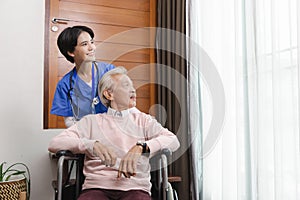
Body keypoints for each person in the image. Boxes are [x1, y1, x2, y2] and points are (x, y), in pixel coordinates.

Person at [48, 67, 180, 200]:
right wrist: (90, 144)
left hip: (135, 189)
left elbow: (173, 140)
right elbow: (55, 143)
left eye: (132, 85)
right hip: (97, 188)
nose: (133, 89)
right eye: (126, 85)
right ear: (109, 94)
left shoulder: (144, 120)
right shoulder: (91, 121)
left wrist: (142, 147)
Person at [50, 25, 116, 127]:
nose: (92, 48)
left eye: (92, 42)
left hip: (113, 129)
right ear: (71, 52)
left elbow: (125, 106)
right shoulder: (65, 85)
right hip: (85, 134)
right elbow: (69, 121)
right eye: (85, 44)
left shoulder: (110, 71)